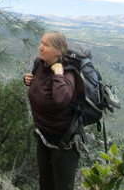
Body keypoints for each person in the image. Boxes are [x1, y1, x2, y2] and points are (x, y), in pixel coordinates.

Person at [23, 31, 82, 190]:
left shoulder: (67, 74)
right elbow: (41, 91)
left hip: (65, 142)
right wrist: (28, 80)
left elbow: (61, 100)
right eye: (41, 43)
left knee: (63, 187)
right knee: (45, 184)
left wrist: (58, 73)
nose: (40, 47)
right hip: (43, 136)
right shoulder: (39, 64)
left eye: (46, 45)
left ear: (58, 51)